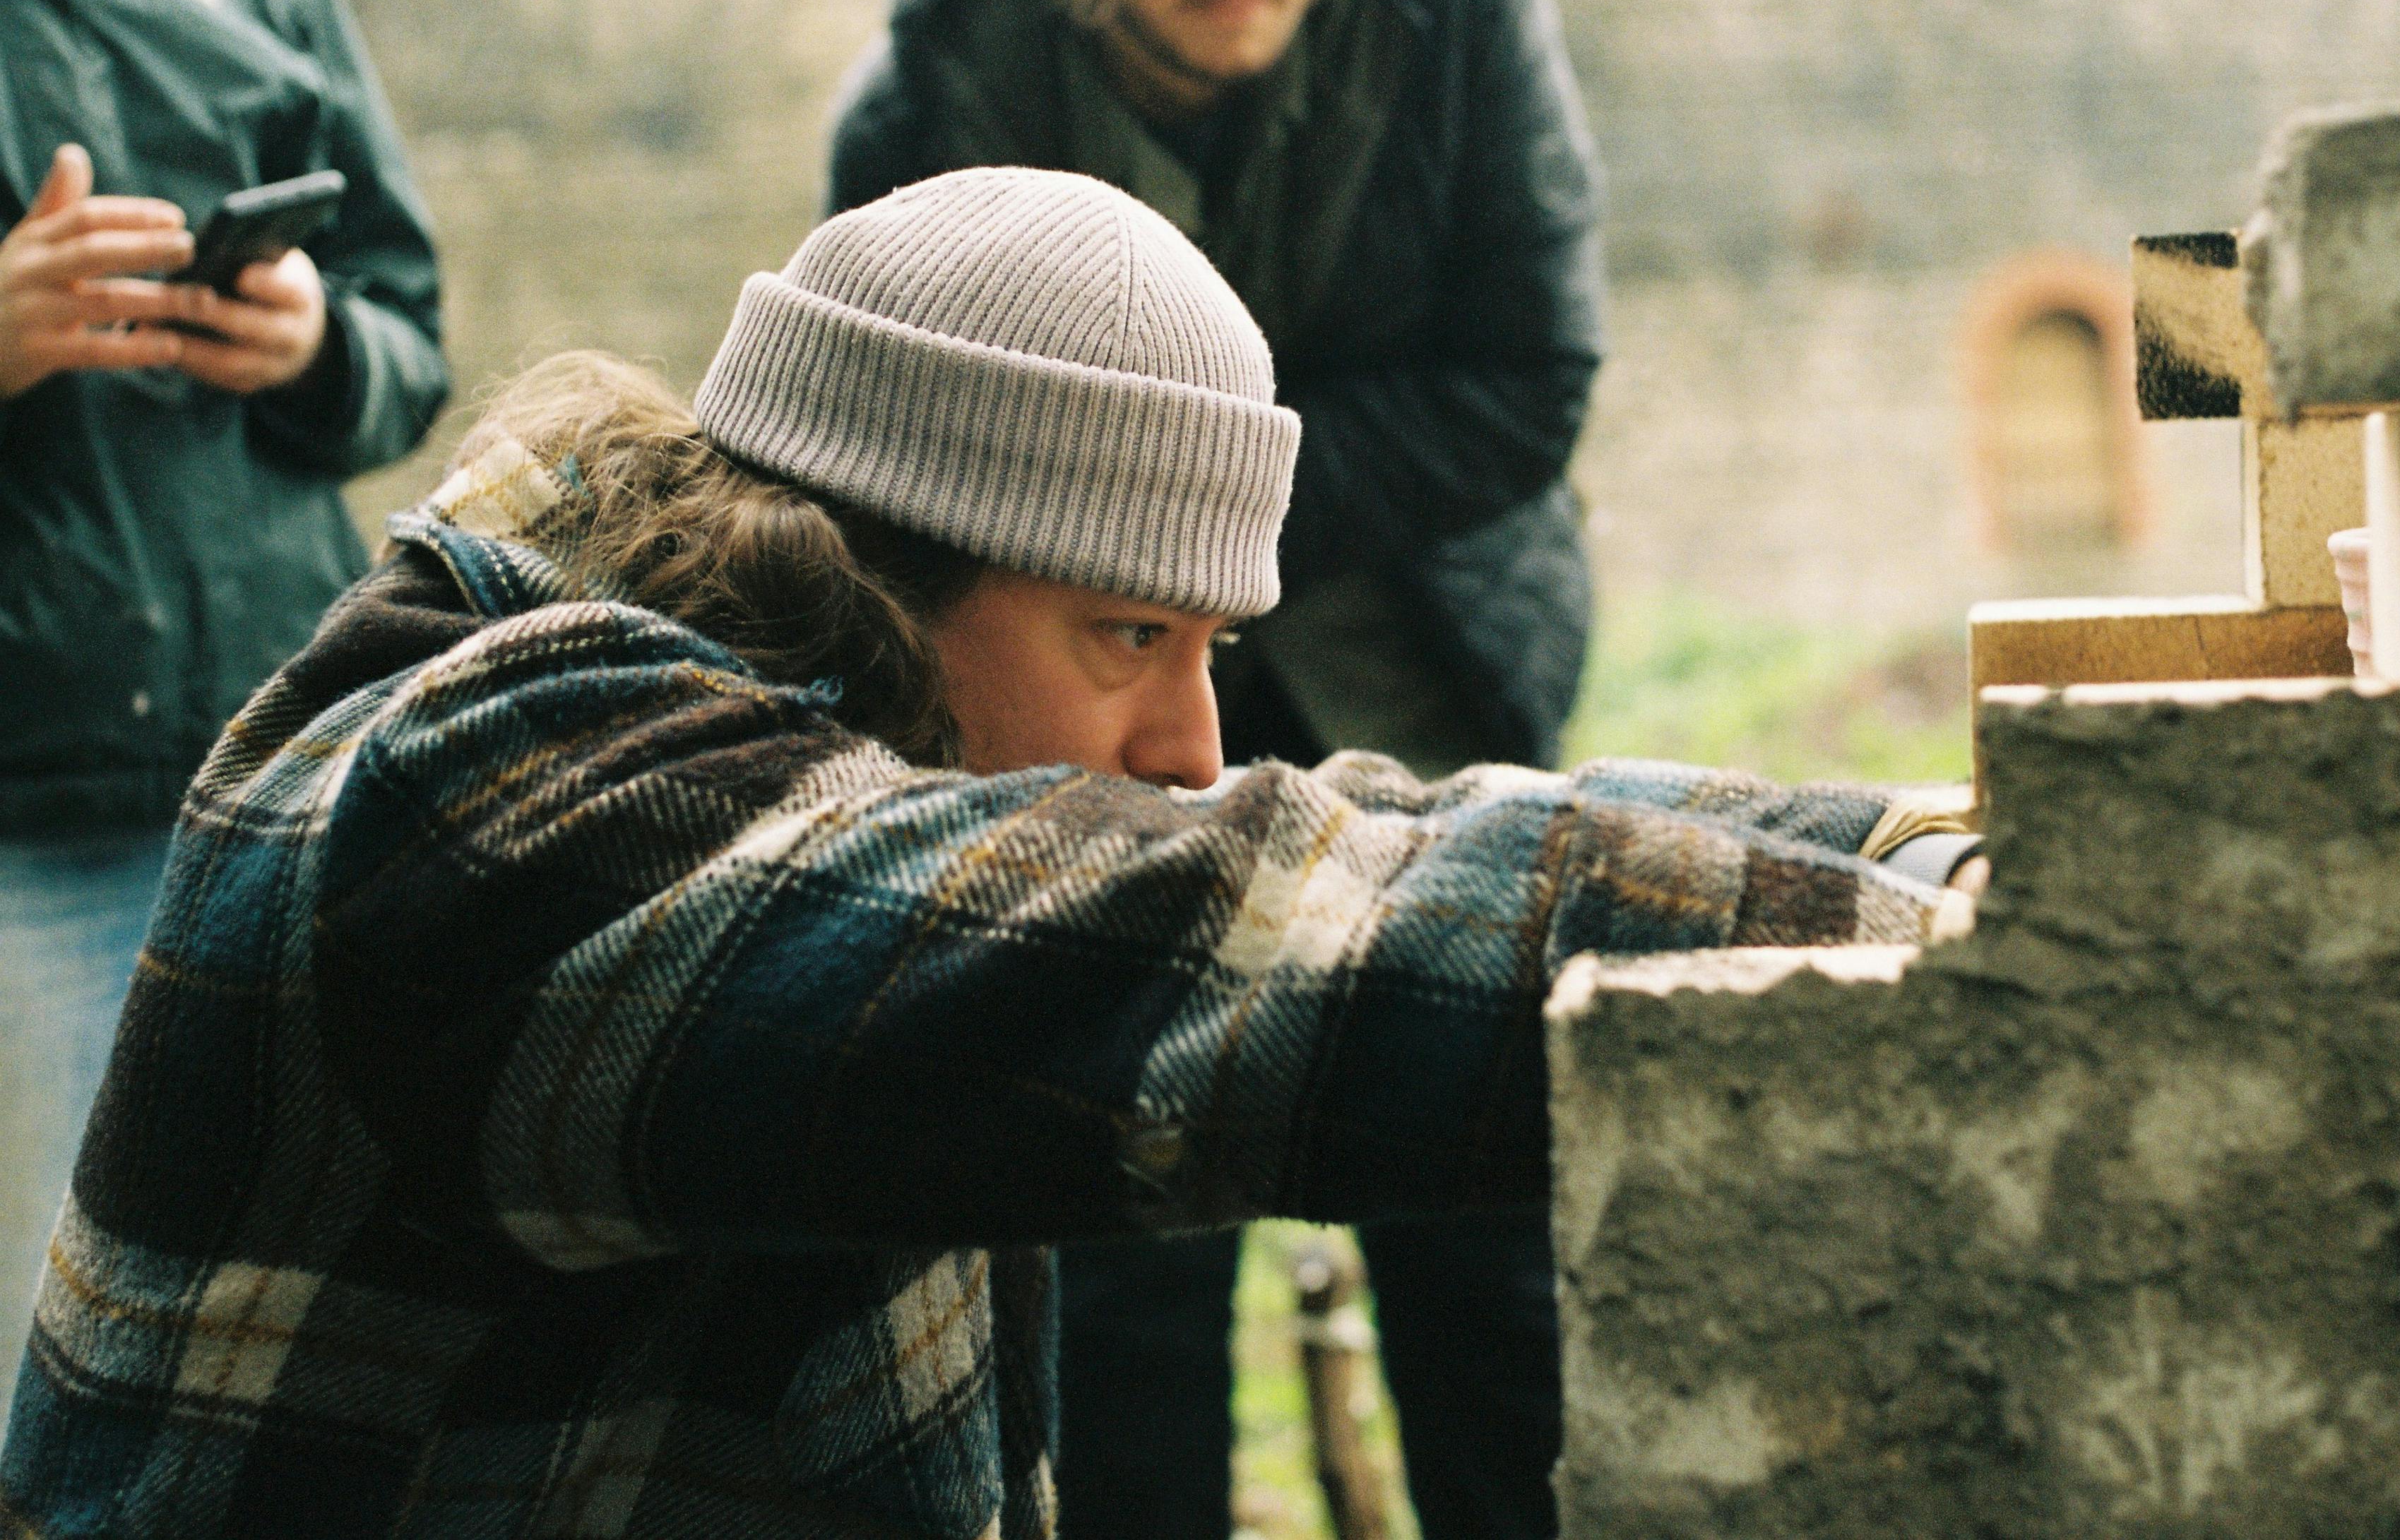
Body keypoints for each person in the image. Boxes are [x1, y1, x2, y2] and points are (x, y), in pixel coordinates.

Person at [0, 167, 1976, 1539]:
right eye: (1133, 634)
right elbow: (1234, 943)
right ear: (867, 566)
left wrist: (1949, 851)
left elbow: (1371, 828)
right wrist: (1963, 964)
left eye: (1215, 649)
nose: (1196, 742)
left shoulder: (820, 757)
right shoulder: (508, 811)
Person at [825, 0, 1608, 1527]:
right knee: (1115, 1236)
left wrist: (1189, 523)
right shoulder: (958, 45)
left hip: (1422, 664)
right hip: (1070, 713)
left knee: (1481, 1210)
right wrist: (1119, 580)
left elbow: (1530, 372)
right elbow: (881, 440)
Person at [0, 0, 448, 1422]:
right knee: (49, 1378)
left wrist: (320, 340)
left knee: (315, 1348)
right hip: (24, 829)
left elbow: (414, 334)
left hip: (295, 774)